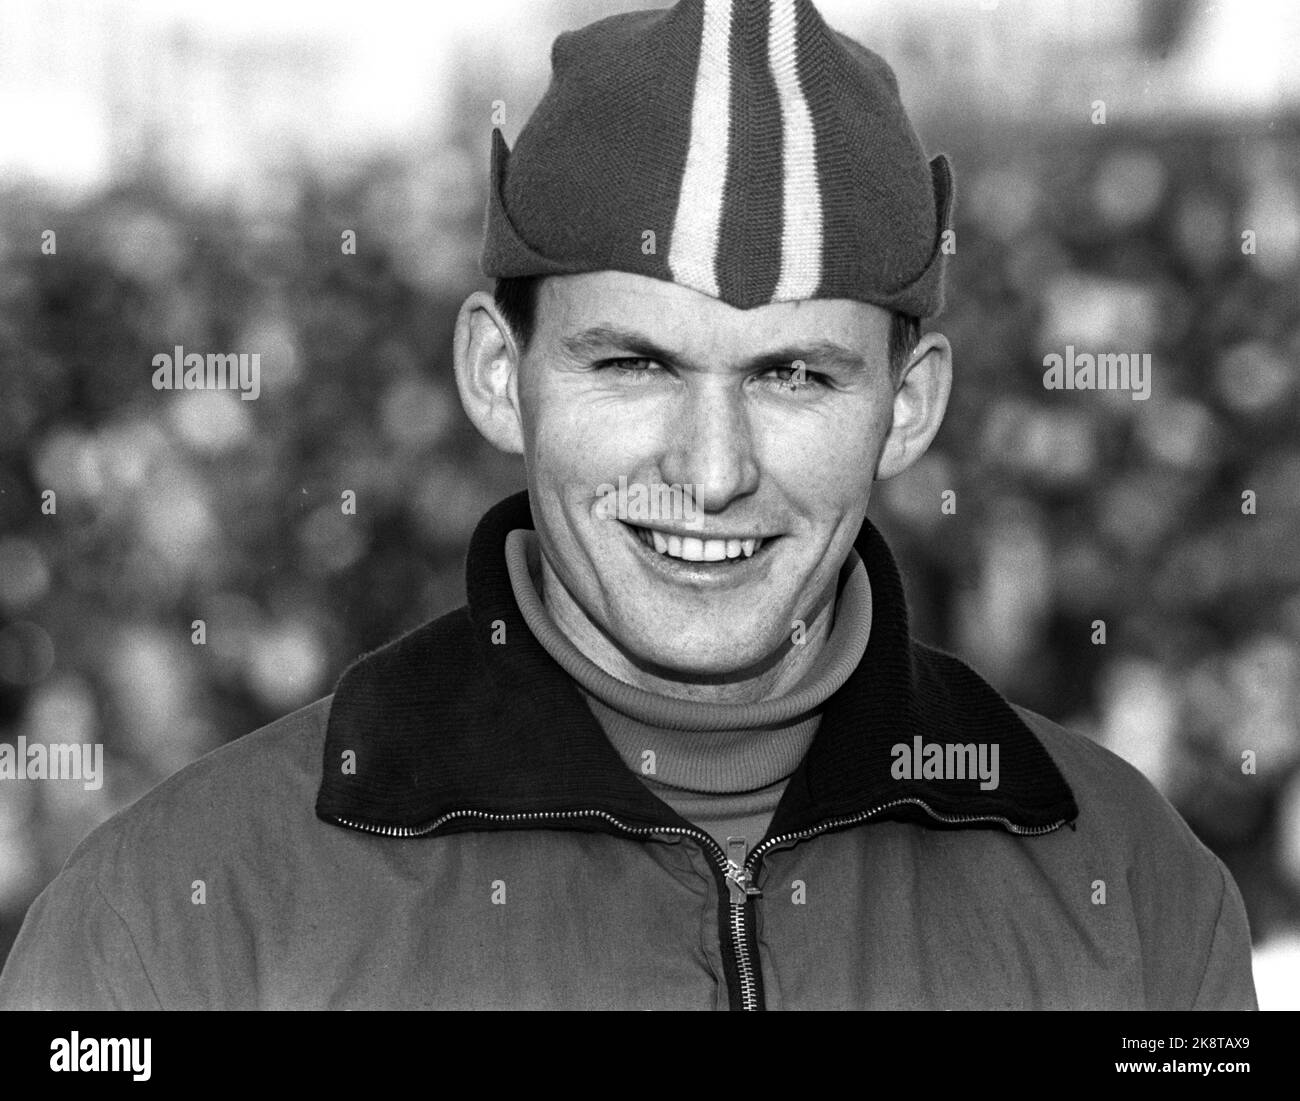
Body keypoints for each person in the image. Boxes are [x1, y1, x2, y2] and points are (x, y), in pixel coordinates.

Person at [0, 0, 1255, 1010]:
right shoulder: (176, 924)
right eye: (635, 364)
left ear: (909, 408)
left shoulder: (1129, 894)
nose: (711, 471)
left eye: (793, 376)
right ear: (498, 375)